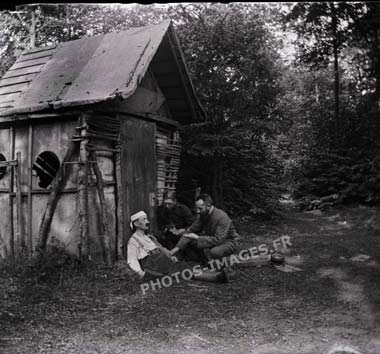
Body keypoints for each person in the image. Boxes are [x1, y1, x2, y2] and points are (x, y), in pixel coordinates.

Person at [127, 210, 227, 282]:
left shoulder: (149, 237)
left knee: (186, 265)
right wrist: (141, 274)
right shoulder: (133, 240)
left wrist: (169, 256)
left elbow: (160, 249)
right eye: (144, 220)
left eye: (147, 219)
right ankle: (216, 277)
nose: (147, 222)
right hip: (153, 263)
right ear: (136, 223)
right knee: (181, 271)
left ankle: (215, 273)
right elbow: (132, 260)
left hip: (162, 260)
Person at [171, 193, 240, 263]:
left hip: (228, 241)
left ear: (208, 206)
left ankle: (229, 261)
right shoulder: (203, 214)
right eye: (196, 208)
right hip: (213, 239)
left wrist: (198, 238)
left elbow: (219, 240)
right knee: (189, 238)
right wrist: (177, 248)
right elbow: (191, 230)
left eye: (200, 208)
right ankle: (201, 262)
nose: (197, 211)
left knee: (215, 252)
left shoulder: (221, 217)